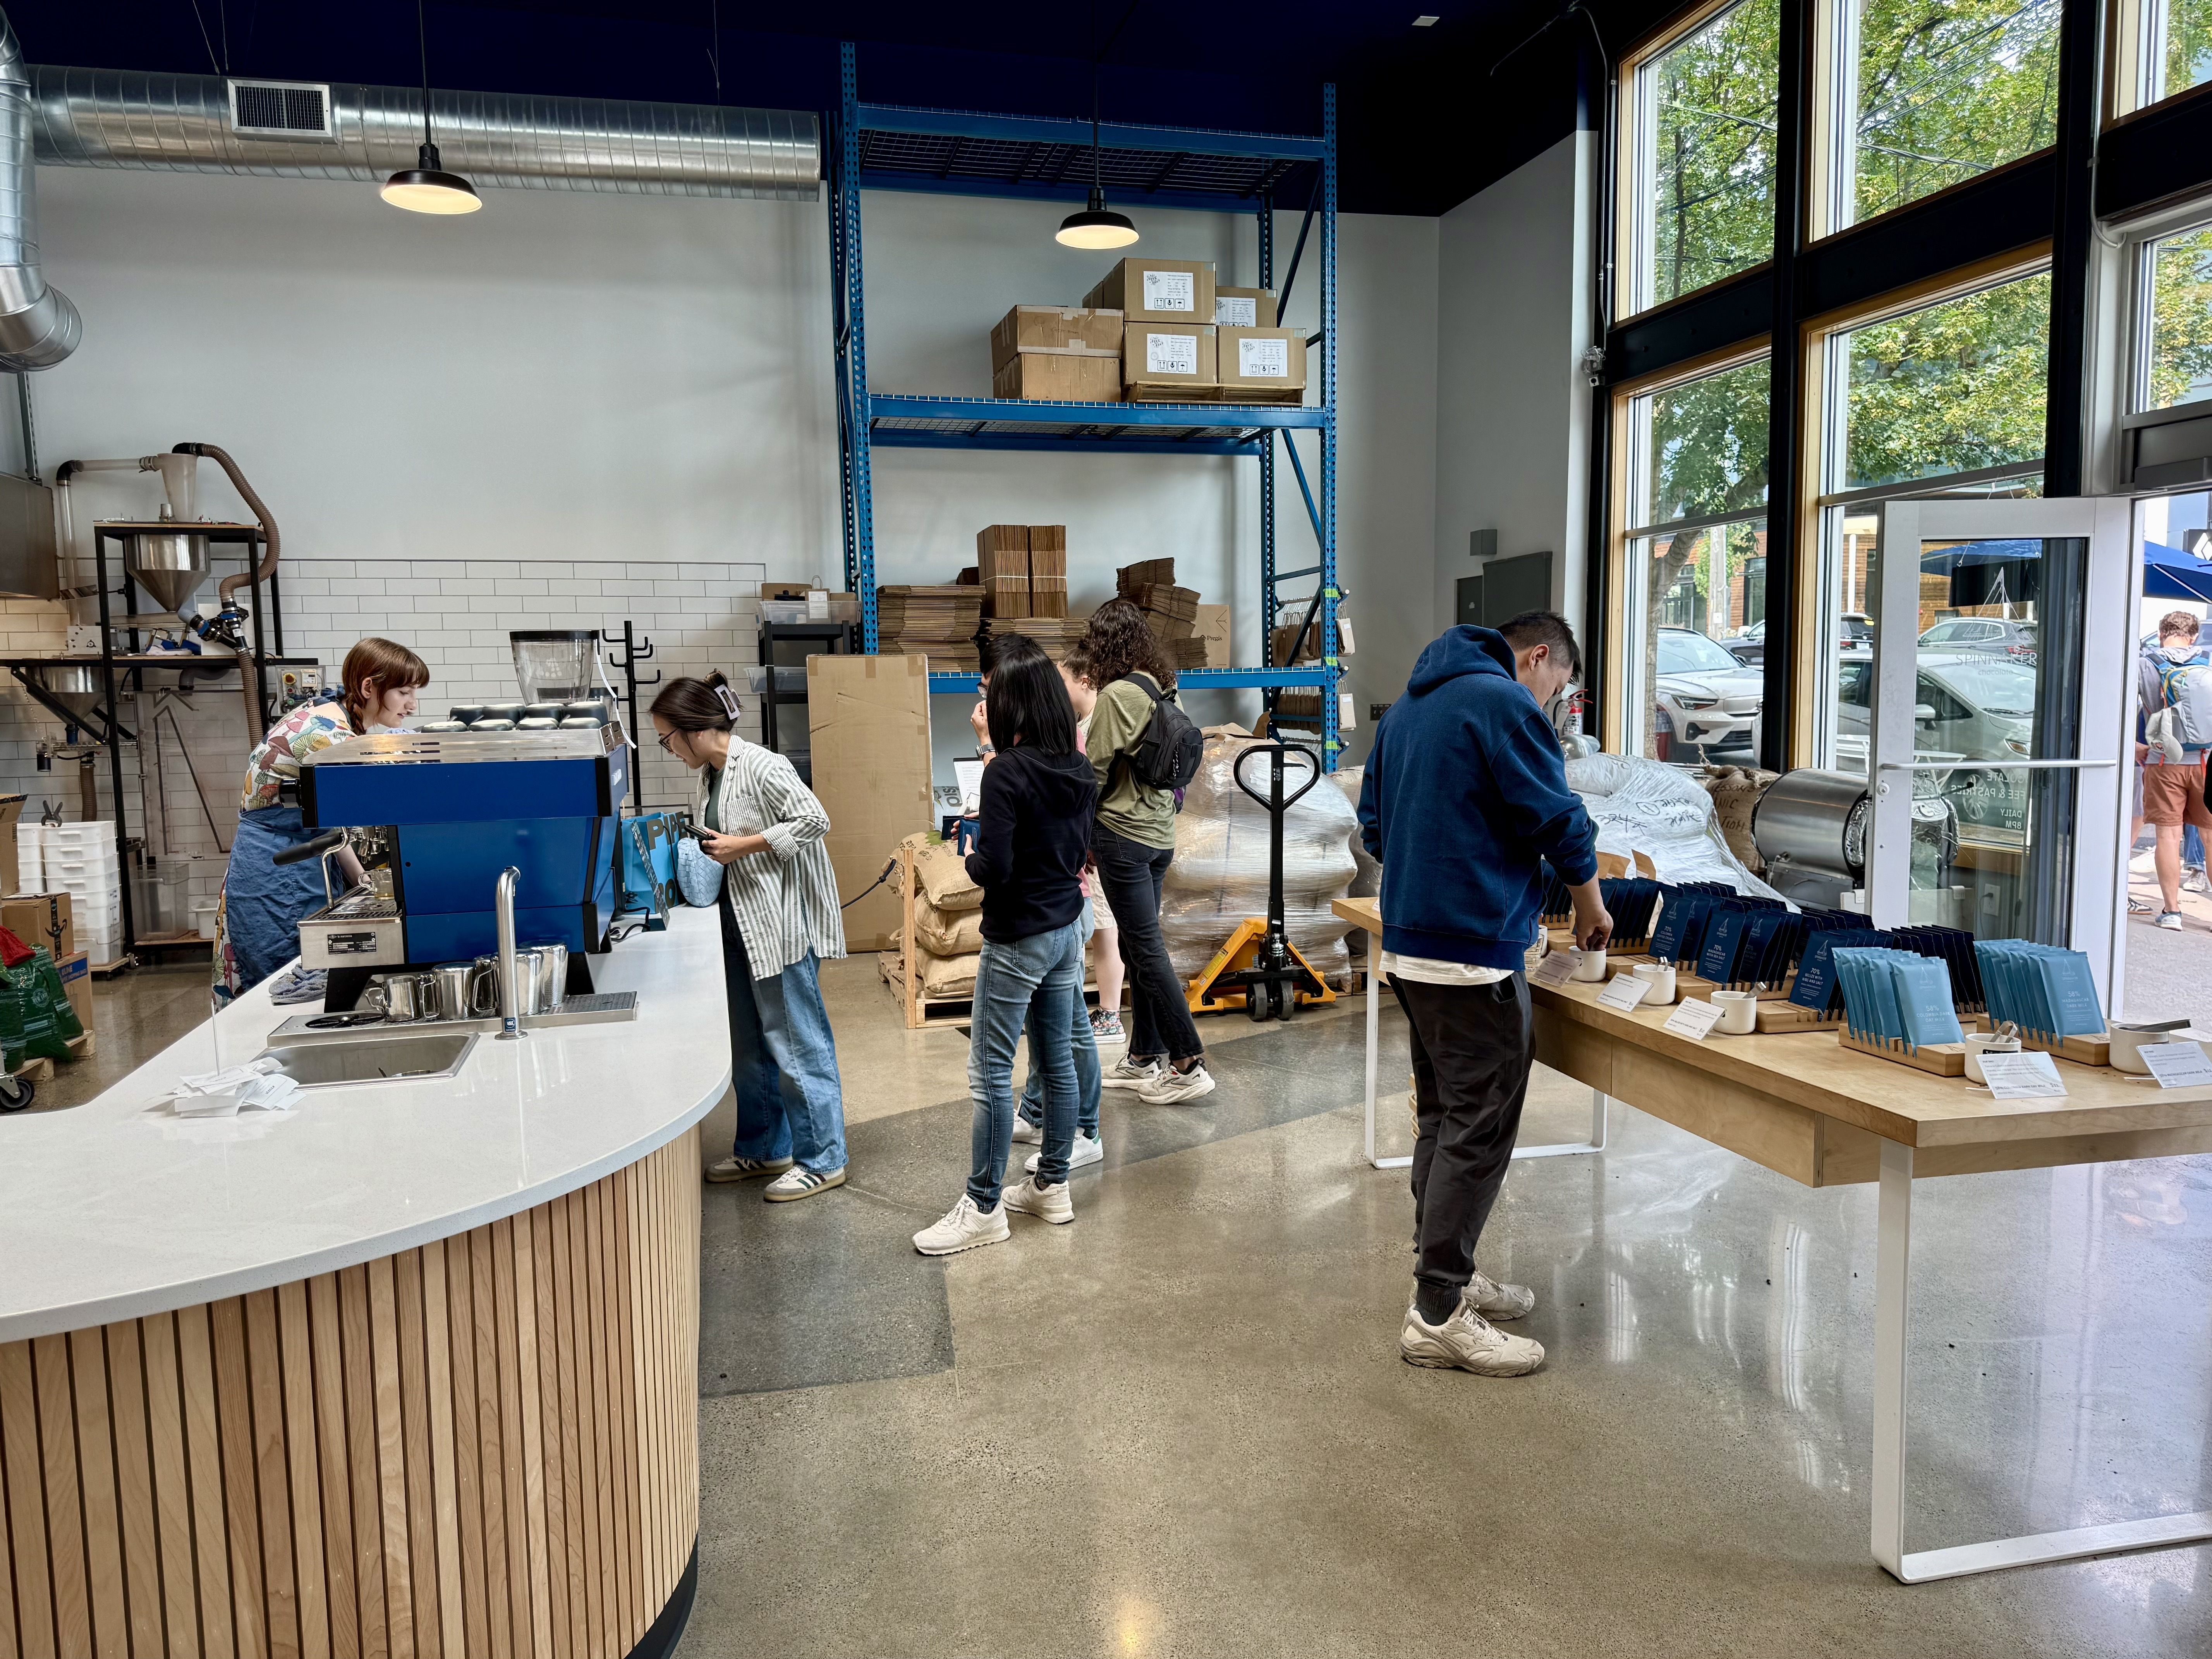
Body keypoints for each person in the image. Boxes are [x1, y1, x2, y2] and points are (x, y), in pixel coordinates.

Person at [1359, 610, 1609, 1379]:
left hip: (1409, 947)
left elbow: (1374, 827)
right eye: (1557, 688)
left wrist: (1438, 863)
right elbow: (1559, 821)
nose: (1551, 703)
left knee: (1444, 1118)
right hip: (1471, 954)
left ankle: (1448, 1276)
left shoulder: (1407, 709)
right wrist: (1590, 907)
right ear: (1537, 656)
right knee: (1477, 1129)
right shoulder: (1502, 703)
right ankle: (1437, 1315)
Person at [914, 635, 1098, 1255]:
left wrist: (968, 855)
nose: (984, 704)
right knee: (1057, 1060)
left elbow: (992, 867)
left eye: (990, 695)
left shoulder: (1006, 772)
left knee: (992, 1073)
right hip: (1065, 929)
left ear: (1011, 704)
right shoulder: (1077, 767)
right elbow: (1080, 851)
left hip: (1017, 935)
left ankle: (984, 1206)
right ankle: (1052, 1186)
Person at [653, 672, 849, 1202]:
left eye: (667, 739)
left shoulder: (763, 765)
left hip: (780, 925)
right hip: (739, 924)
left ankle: (824, 1158)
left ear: (694, 729)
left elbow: (814, 819)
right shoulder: (711, 775)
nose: (669, 750)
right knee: (750, 1045)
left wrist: (744, 845)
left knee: (796, 1043)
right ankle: (764, 1147)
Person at [213, 636, 428, 1008]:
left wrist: (361, 877)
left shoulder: (334, 714)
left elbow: (331, 822)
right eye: (404, 692)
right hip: (282, 866)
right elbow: (382, 808)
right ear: (368, 687)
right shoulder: (328, 735)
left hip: (299, 850)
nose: (413, 704)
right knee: (291, 978)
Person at [1080, 598, 1214, 1105]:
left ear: (1103, 644)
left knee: (1146, 949)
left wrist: (1079, 837)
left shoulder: (1116, 695)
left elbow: (1092, 774)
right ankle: (1143, 1057)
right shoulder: (1163, 687)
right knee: (1140, 946)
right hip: (1159, 835)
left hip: (1122, 837)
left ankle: (1187, 1062)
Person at [1010, 649, 1112, 1172]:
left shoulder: (1062, 755)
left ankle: (1085, 1130)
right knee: (1051, 1024)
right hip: (1058, 904)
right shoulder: (1059, 755)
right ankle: (1038, 1112)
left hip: (1062, 906)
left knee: (1069, 1028)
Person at [2135, 610, 2212, 931]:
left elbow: (2120, 711)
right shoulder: (2209, 663)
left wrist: (2135, 747)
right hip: (2206, 760)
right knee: (2210, 837)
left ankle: (2172, 912)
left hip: (2164, 760)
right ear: (2193, 636)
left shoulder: (2144, 664)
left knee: (2168, 835)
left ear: (2160, 634)